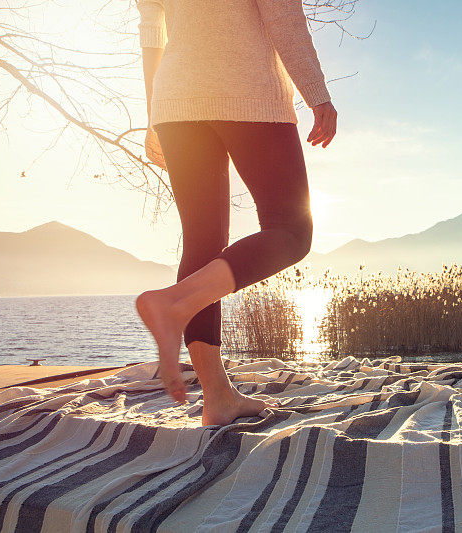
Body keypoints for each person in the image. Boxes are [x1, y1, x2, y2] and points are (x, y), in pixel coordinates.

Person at [133, 0, 337, 426]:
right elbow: (282, 15)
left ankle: (218, 398)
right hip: (245, 89)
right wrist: (317, 96)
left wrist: (154, 116)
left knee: (202, 243)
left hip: (174, 101)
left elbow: (152, 28)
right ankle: (172, 304)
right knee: (291, 230)